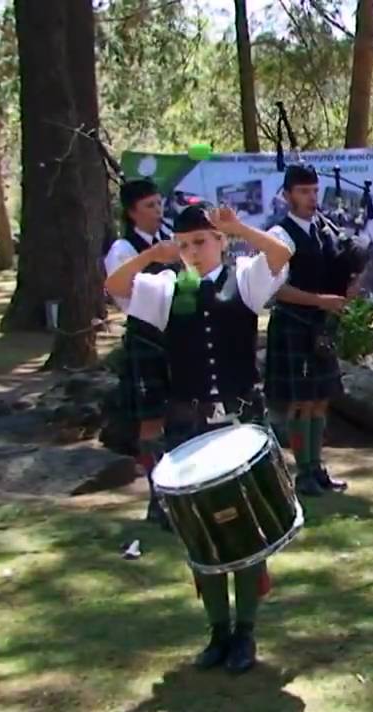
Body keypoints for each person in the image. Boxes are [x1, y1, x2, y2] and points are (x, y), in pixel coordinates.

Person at [104, 204, 293, 674]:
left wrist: (238, 227)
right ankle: (218, 633)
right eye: (185, 244)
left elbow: (280, 254)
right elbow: (115, 286)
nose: (193, 251)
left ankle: (245, 632)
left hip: (240, 424)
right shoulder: (168, 288)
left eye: (202, 242)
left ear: (220, 242)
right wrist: (153, 255)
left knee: (246, 531)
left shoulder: (243, 279)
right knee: (202, 535)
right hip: (189, 427)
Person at [264, 165, 350, 497]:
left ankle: (317, 467)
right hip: (294, 324)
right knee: (301, 402)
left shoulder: (325, 231)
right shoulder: (279, 235)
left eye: (314, 190)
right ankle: (303, 473)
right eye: (303, 191)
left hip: (320, 326)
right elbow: (277, 289)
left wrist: (352, 278)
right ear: (287, 195)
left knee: (320, 400)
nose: (311, 197)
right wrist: (319, 300)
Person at [104, 179, 178, 528]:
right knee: (151, 421)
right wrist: (152, 257)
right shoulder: (122, 249)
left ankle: (180, 493)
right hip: (146, 339)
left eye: (159, 203)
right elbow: (122, 293)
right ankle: (157, 497)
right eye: (149, 205)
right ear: (132, 212)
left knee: (180, 415)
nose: (157, 210)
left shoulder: (170, 240)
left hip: (176, 338)